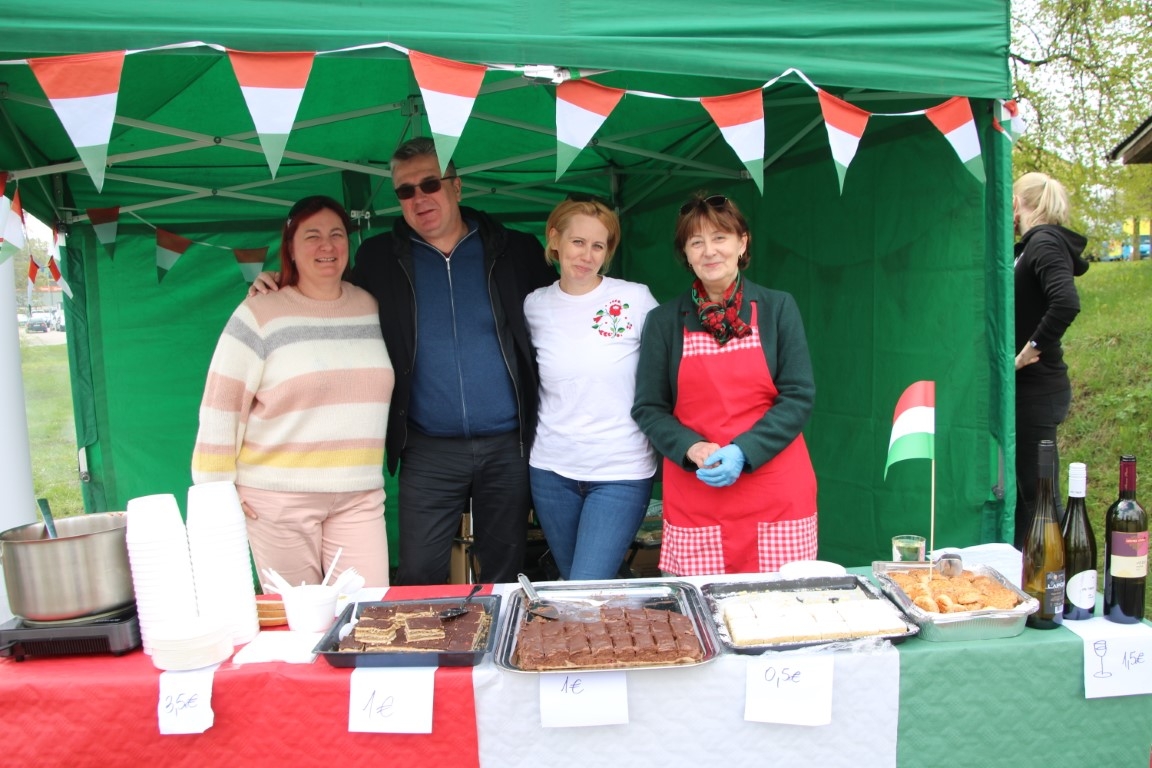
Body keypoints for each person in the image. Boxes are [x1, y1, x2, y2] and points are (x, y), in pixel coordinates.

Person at [250, 138, 555, 585]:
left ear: (457, 185)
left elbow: (567, 304)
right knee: (418, 574)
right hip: (427, 447)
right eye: (405, 191)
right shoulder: (378, 258)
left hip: (508, 444)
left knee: (504, 574)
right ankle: (424, 654)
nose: (419, 198)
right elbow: (330, 300)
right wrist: (280, 285)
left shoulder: (516, 250)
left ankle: (492, 652)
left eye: (429, 183)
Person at [192, 195, 393, 587]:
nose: (327, 245)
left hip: (359, 494)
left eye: (337, 234)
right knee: (296, 624)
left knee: (367, 618)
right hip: (278, 498)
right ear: (291, 249)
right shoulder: (259, 313)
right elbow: (221, 405)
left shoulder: (371, 307)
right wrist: (218, 492)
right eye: (312, 236)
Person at [632, 194, 818, 575]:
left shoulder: (777, 308)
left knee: (779, 613)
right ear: (686, 253)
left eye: (719, 238)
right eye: (696, 242)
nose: (709, 251)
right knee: (701, 616)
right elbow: (649, 408)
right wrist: (693, 447)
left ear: (742, 242)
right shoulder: (665, 321)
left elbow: (798, 396)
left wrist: (744, 451)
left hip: (775, 487)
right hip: (698, 489)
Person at [524, 198, 659, 580]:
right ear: (555, 241)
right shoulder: (534, 306)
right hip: (551, 470)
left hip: (621, 469)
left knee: (586, 587)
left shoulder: (635, 299)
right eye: (577, 242)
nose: (586, 255)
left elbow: (669, 371)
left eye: (598, 246)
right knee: (577, 588)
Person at [1012, 171, 1089, 547]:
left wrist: (1031, 348)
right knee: (1029, 499)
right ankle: (1030, 585)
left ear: (1020, 203)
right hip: (1031, 391)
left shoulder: (1043, 242)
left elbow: (1066, 302)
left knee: (1040, 498)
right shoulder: (1033, 245)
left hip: (1038, 391)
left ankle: (1061, 589)